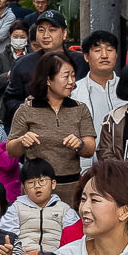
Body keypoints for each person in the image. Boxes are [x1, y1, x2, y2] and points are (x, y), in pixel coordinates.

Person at [8, 54, 95, 206]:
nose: (71, 82)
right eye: (66, 76)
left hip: (71, 187)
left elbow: (90, 149)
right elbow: (11, 150)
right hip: (37, 189)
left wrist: (80, 144)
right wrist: (22, 141)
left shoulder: (80, 109)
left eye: (73, 76)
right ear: (48, 79)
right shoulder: (26, 109)